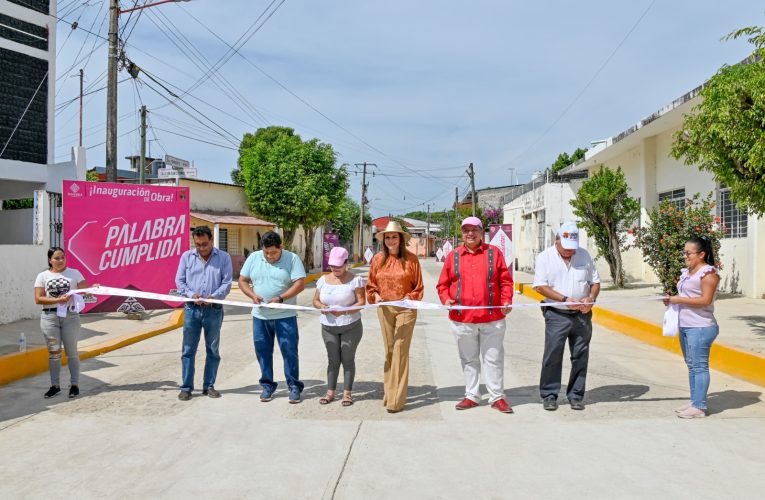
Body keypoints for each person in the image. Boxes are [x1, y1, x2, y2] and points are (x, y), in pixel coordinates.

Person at [436, 216, 515, 413]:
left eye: (474, 230)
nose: (470, 234)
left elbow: (506, 281)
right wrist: (446, 299)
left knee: (493, 358)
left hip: (492, 319)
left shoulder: (493, 253)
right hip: (463, 320)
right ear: (461, 233)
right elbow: (442, 285)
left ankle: (497, 396)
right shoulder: (453, 256)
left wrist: (506, 300)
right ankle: (472, 395)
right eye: (466, 230)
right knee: (469, 359)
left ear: (482, 232)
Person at [533, 222, 600, 411]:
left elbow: (595, 282)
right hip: (556, 314)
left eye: (573, 248)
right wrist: (563, 299)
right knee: (553, 354)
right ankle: (549, 394)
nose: (570, 252)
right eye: (566, 248)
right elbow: (540, 286)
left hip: (582, 315)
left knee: (580, 355)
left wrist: (591, 298)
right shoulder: (545, 257)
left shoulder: (584, 255)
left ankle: (576, 395)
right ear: (557, 240)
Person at [239, 231, 306, 403]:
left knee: (289, 351)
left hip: (285, 316)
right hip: (260, 317)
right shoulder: (254, 258)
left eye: (274, 252)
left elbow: (300, 284)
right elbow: (243, 281)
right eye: (266, 252)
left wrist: (281, 298)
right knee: (263, 352)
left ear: (281, 247)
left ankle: (293, 386)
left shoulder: (292, 259)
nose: (270, 256)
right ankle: (267, 385)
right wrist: (252, 295)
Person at [366, 220, 424, 413]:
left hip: (406, 309)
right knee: (390, 350)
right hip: (384, 309)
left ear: (400, 239)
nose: (391, 240)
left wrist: (409, 298)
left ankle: (396, 400)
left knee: (400, 349)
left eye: (394, 236)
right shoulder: (377, 259)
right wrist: (374, 295)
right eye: (388, 237)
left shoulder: (412, 259)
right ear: (384, 240)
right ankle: (389, 392)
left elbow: (419, 287)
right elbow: (371, 285)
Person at [663, 236, 720, 419]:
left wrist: (678, 299)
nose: (685, 256)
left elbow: (705, 300)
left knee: (700, 366)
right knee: (692, 366)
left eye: (688, 253)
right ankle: (695, 400)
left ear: (702, 254)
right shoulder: (688, 272)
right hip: (686, 325)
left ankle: (700, 406)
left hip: (701, 327)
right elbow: (688, 295)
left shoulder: (708, 274)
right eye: (684, 252)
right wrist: (672, 299)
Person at [174, 226, 233, 401]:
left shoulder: (224, 258)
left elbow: (227, 282)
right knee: (188, 350)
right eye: (198, 244)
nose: (201, 248)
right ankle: (186, 387)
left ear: (211, 241)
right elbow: (179, 281)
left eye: (205, 244)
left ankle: (209, 386)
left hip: (213, 311)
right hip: (192, 309)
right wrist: (192, 295)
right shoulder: (187, 257)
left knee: (212, 349)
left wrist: (213, 297)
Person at [313, 247, 365, 407]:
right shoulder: (323, 280)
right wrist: (322, 306)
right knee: (333, 360)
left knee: (347, 359)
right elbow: (315, 300)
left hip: (351, 326)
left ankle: (347, 393)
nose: (335, 269)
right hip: (328, 327)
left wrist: (345, 311)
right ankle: (330, 392)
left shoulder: (356, 280)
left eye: (338, 266)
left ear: (346, 263)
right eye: (332, 266)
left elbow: (362, 302)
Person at [34, 247, 88, 399]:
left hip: (70, 317)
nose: (60, 260)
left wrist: (93, 288)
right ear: (50, 260)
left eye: (62, 257)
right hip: (49, 318)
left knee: (72, 352)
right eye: (56, 258)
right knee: (54, 353)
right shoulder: (42, 276)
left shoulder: (74, 273)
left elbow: (85, 290)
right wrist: (58, 300)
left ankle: (74, 385)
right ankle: (55, 386)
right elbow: (38, 299)